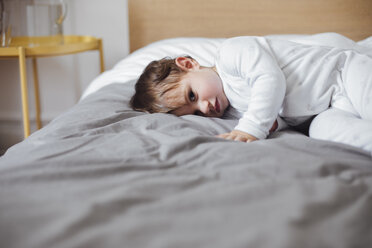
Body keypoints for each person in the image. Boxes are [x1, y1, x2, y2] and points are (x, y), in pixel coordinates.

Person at [130, 36, 372, 154]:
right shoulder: (233, 109)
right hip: (323, 112)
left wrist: (253, 128)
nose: (204, 109)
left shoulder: (231, 54)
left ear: (189, 64)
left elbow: (270, 80)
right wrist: (276, 124)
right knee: (333, 135)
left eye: (192, 96)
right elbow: (281, 111)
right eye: (195, 113)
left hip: (342, 73)